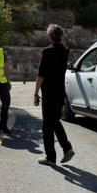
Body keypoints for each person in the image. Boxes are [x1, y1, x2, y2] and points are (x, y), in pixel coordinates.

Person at [34, 24, 75, 166]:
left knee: (47, 125)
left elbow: (41, 75)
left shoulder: (47, 52)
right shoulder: (65, 51)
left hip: (49, 93)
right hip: (60, 92)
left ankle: (51, 157)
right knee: (55, 121)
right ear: (61, 36)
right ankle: (67, 148)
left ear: (50, 36)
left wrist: (36, 93)